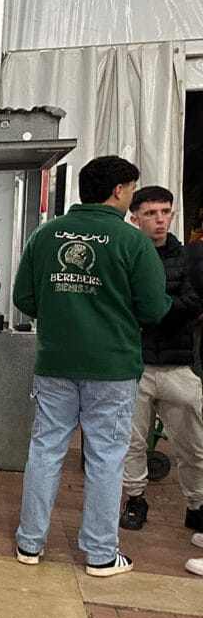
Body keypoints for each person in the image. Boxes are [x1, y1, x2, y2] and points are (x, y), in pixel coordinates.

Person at [13, 156, 171, 578]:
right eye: (133, 191)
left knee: (45, 450)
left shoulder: (45, 235)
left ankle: (30, 543)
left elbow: (24, 300)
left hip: (55, 362)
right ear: (119, 191)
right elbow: (155, 308)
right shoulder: (132, 241)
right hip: (112, 366)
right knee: (105, 459)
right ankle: (100, 554)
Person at [118, 186, 203, 534]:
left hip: (176, 364)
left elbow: (194, 302)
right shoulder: (126, 254)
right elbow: (120, 304)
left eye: (165, 212)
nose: (160, 220)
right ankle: (136, 498)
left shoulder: (186, 257)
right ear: (135, 218)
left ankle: (197, 504)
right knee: (131, 442)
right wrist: (166, 307)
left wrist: (155, 310)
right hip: (133, 364)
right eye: (151, 213)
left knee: (194, 442)